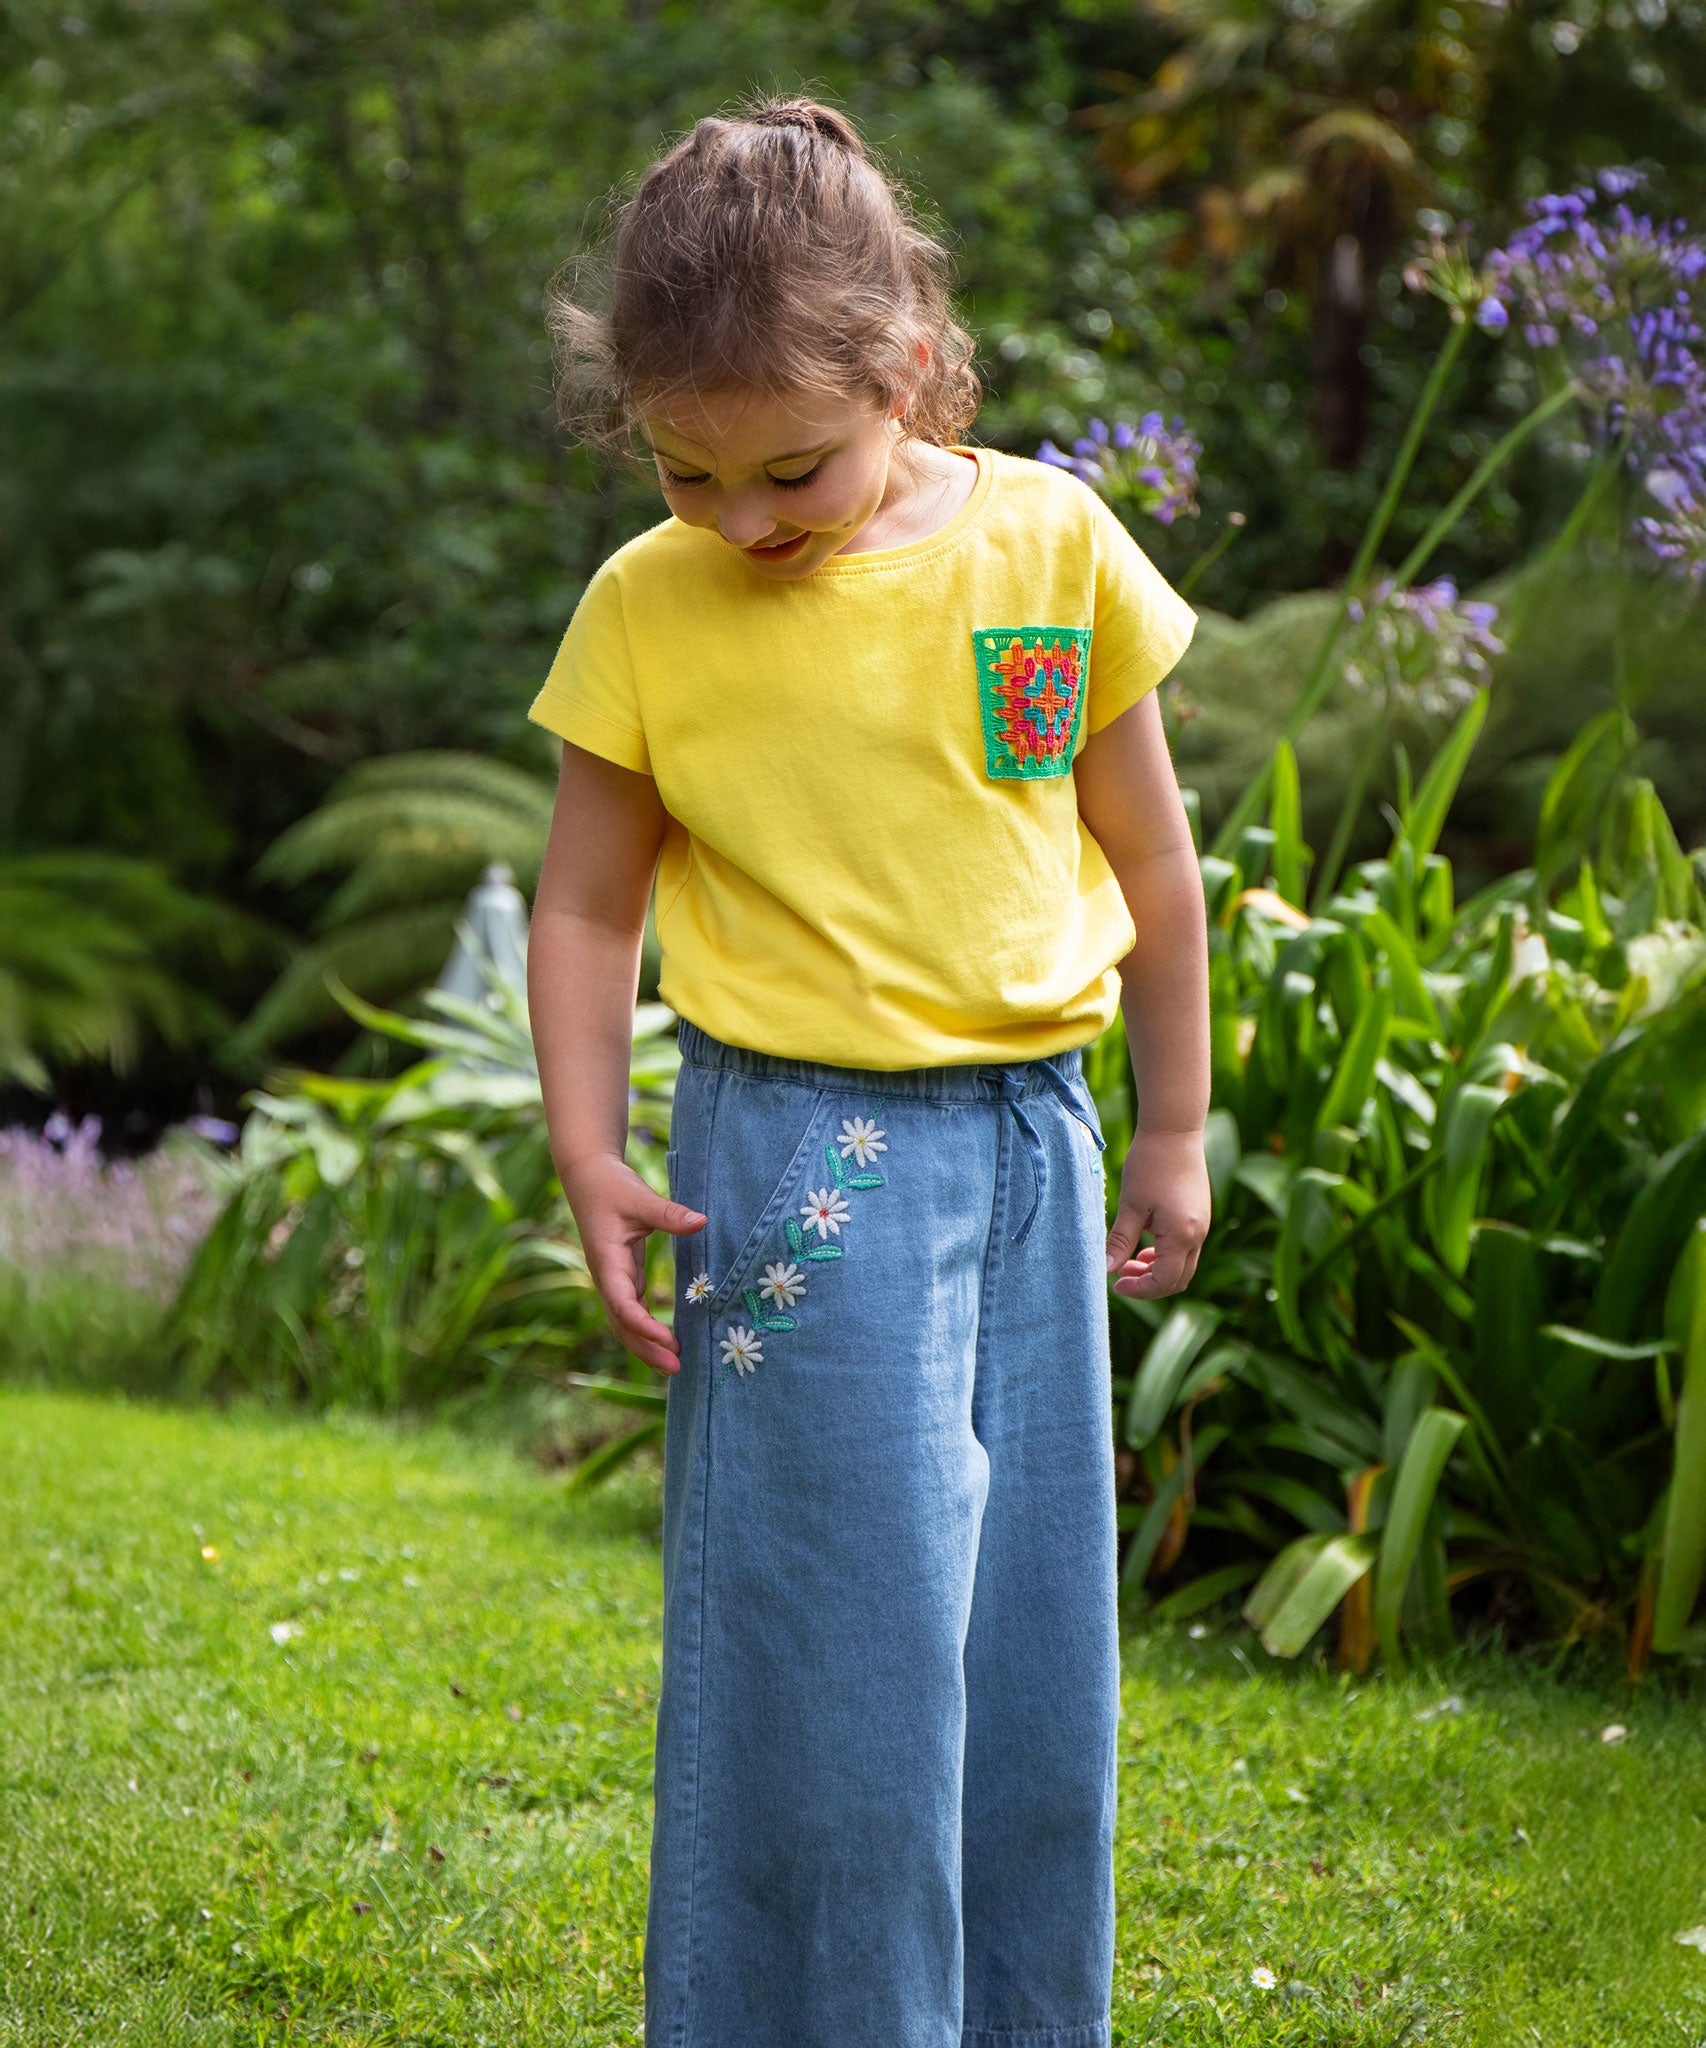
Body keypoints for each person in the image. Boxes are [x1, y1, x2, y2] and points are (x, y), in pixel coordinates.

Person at [526, 95, 1210, 2048]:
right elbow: (585, 908)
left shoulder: (1048, 546)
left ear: (905, 362)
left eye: (790, 468)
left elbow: (1149, 860)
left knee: (1020, 1660)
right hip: (801, 1166)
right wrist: (588, 1146)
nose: (740, 521)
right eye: (685, 471)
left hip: (1035, 1151)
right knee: (833, 1666)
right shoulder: (647, 608)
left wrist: (1170, 1120)